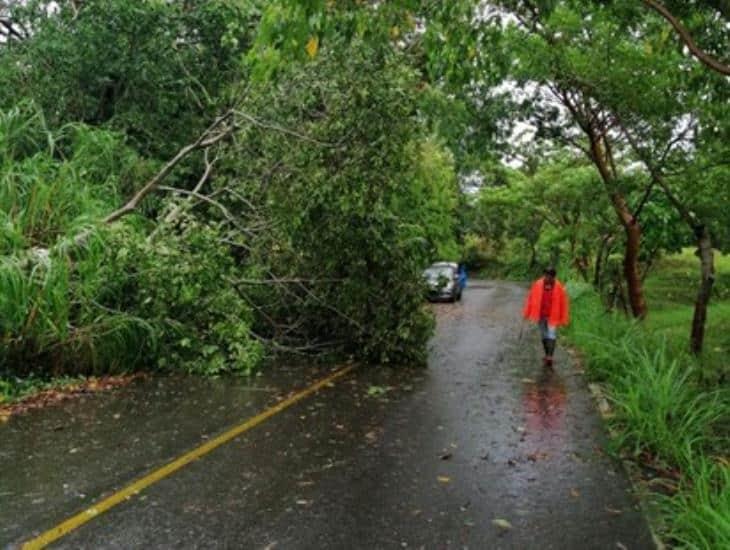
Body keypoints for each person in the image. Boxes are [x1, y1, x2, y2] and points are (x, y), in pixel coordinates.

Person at [522, 267, 569, 367]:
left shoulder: (559, 287)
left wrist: (563, 316)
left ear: (554, 277)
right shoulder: (538, 284)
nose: (547, 278)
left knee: (551, 334)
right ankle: (547, 354)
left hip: (553, 315)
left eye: (550, 276)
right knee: (544, 335)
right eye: (546, 275)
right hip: (541, 314)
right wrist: (527, 313)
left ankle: (550, 357)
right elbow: (531, 299)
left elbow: (563, 303)